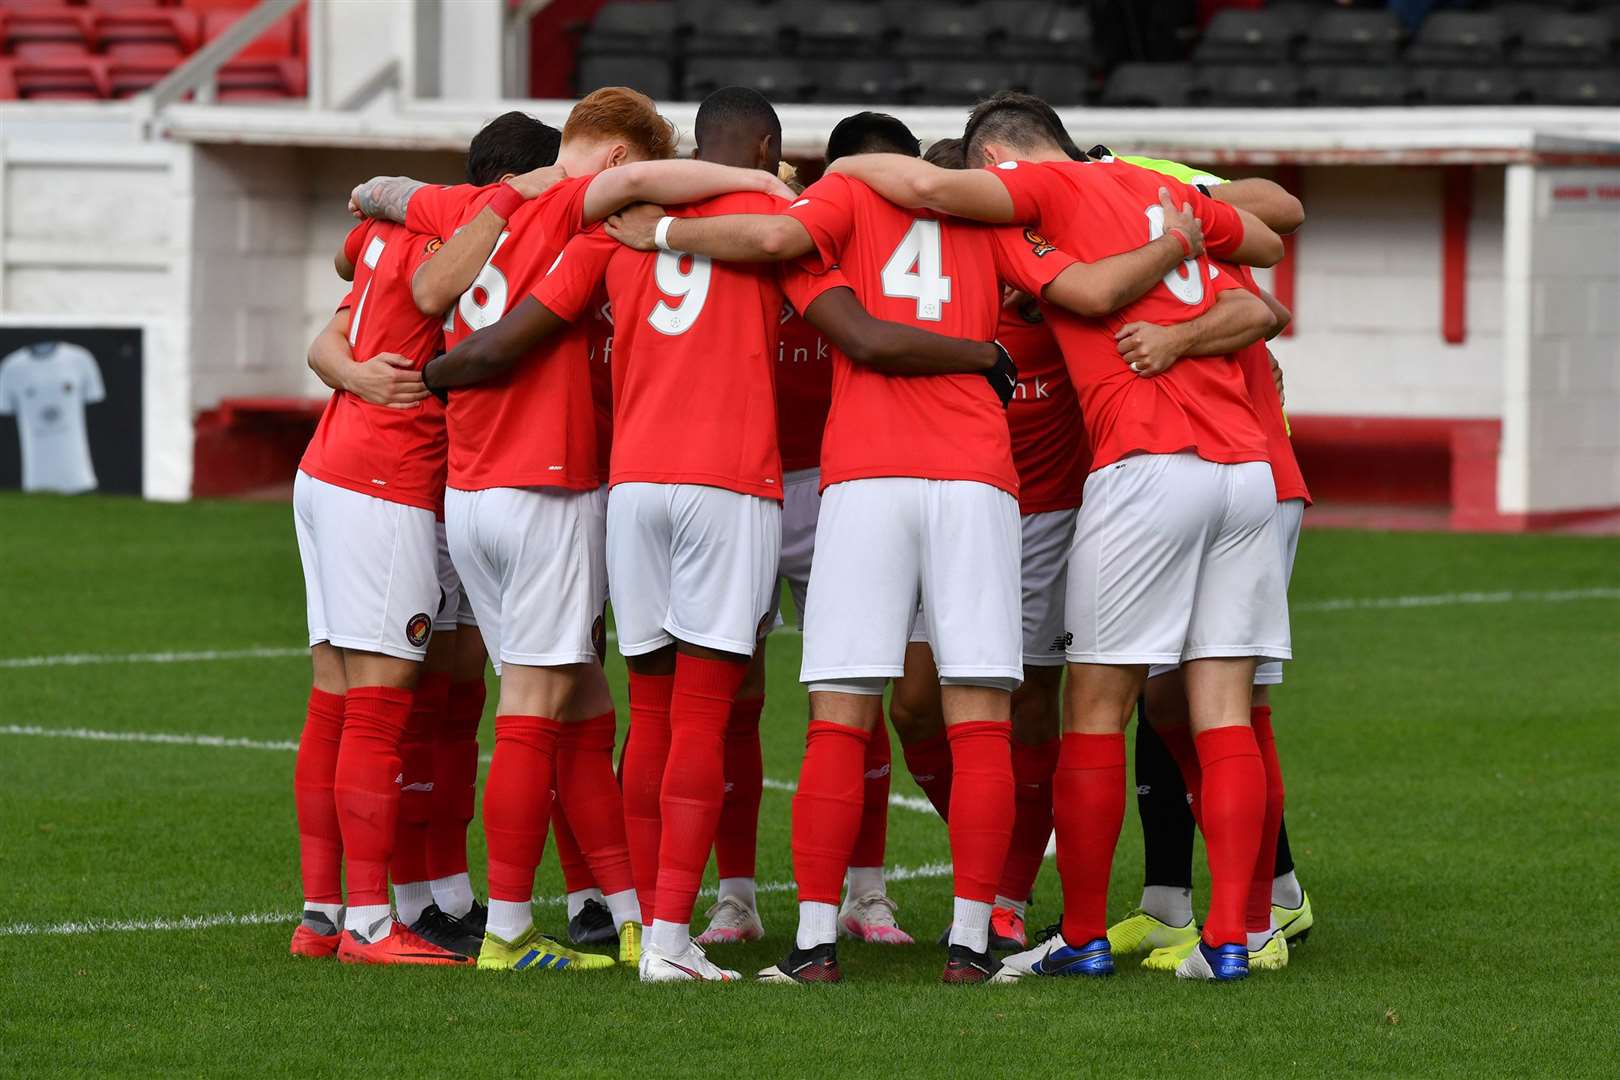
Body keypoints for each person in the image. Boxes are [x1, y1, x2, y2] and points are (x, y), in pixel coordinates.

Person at [421, 96, 1062, 980]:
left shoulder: (626, 225)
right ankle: (964, 939)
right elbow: (1046, 294)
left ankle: (695, 927)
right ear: (765, 149)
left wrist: (431, 367)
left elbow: (517, 325)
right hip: (775, 480)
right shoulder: (795, 214)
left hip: (649, 481)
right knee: (961, 715)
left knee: (672, 712)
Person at [605, 109, 1214, 985]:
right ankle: (972, 939)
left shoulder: (846, 197)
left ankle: (814, 943)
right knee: (981, 719)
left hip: (865, 477)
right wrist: (1173, 251)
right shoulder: (993, 216)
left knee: (840, 715)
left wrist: (659, 231)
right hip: (976, 478)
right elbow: (1081, 293)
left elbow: (777, 236)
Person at [825, 91, 1288, 981]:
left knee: (1093, 711)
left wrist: (842, 168)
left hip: (1149, 462)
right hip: (1245, 474)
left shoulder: (1038, 195)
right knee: (1222, 706)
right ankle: (1233, 941)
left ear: (1001, 163)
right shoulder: (1157, 189)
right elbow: (1265, 259)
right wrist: (1186, 242)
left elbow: (931, 191)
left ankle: (1079, 937)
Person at [350, 86, 797, 974]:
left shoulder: (486, 206)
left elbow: (378, 201)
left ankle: (626, 913)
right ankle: (521, 931)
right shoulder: (596, 213)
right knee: (563, 714)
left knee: (593, 709)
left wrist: (414, 370)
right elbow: (782, 234)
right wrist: (774, 191)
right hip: (566, 483)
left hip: (490, 486)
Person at [290, 113, 569, 966]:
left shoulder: (388, 226)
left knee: (360, 698)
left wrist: (343, 362)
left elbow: (342, 300)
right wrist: (510, 203)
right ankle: (371, 924)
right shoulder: (462, 232)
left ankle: (334, 911)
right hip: (387, 478)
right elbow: (420, 299)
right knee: (378, 707)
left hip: (352, 468)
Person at [1098, 152, 1314, 973]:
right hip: (1204, 474)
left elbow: (1276, 231)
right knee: (1165, 698)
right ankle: (1173, 903)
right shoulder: (1134, 251)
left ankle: (1266, 911)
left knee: (1232, 699)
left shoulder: (1154, 212)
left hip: (1249, 473)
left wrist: (1182, 204)